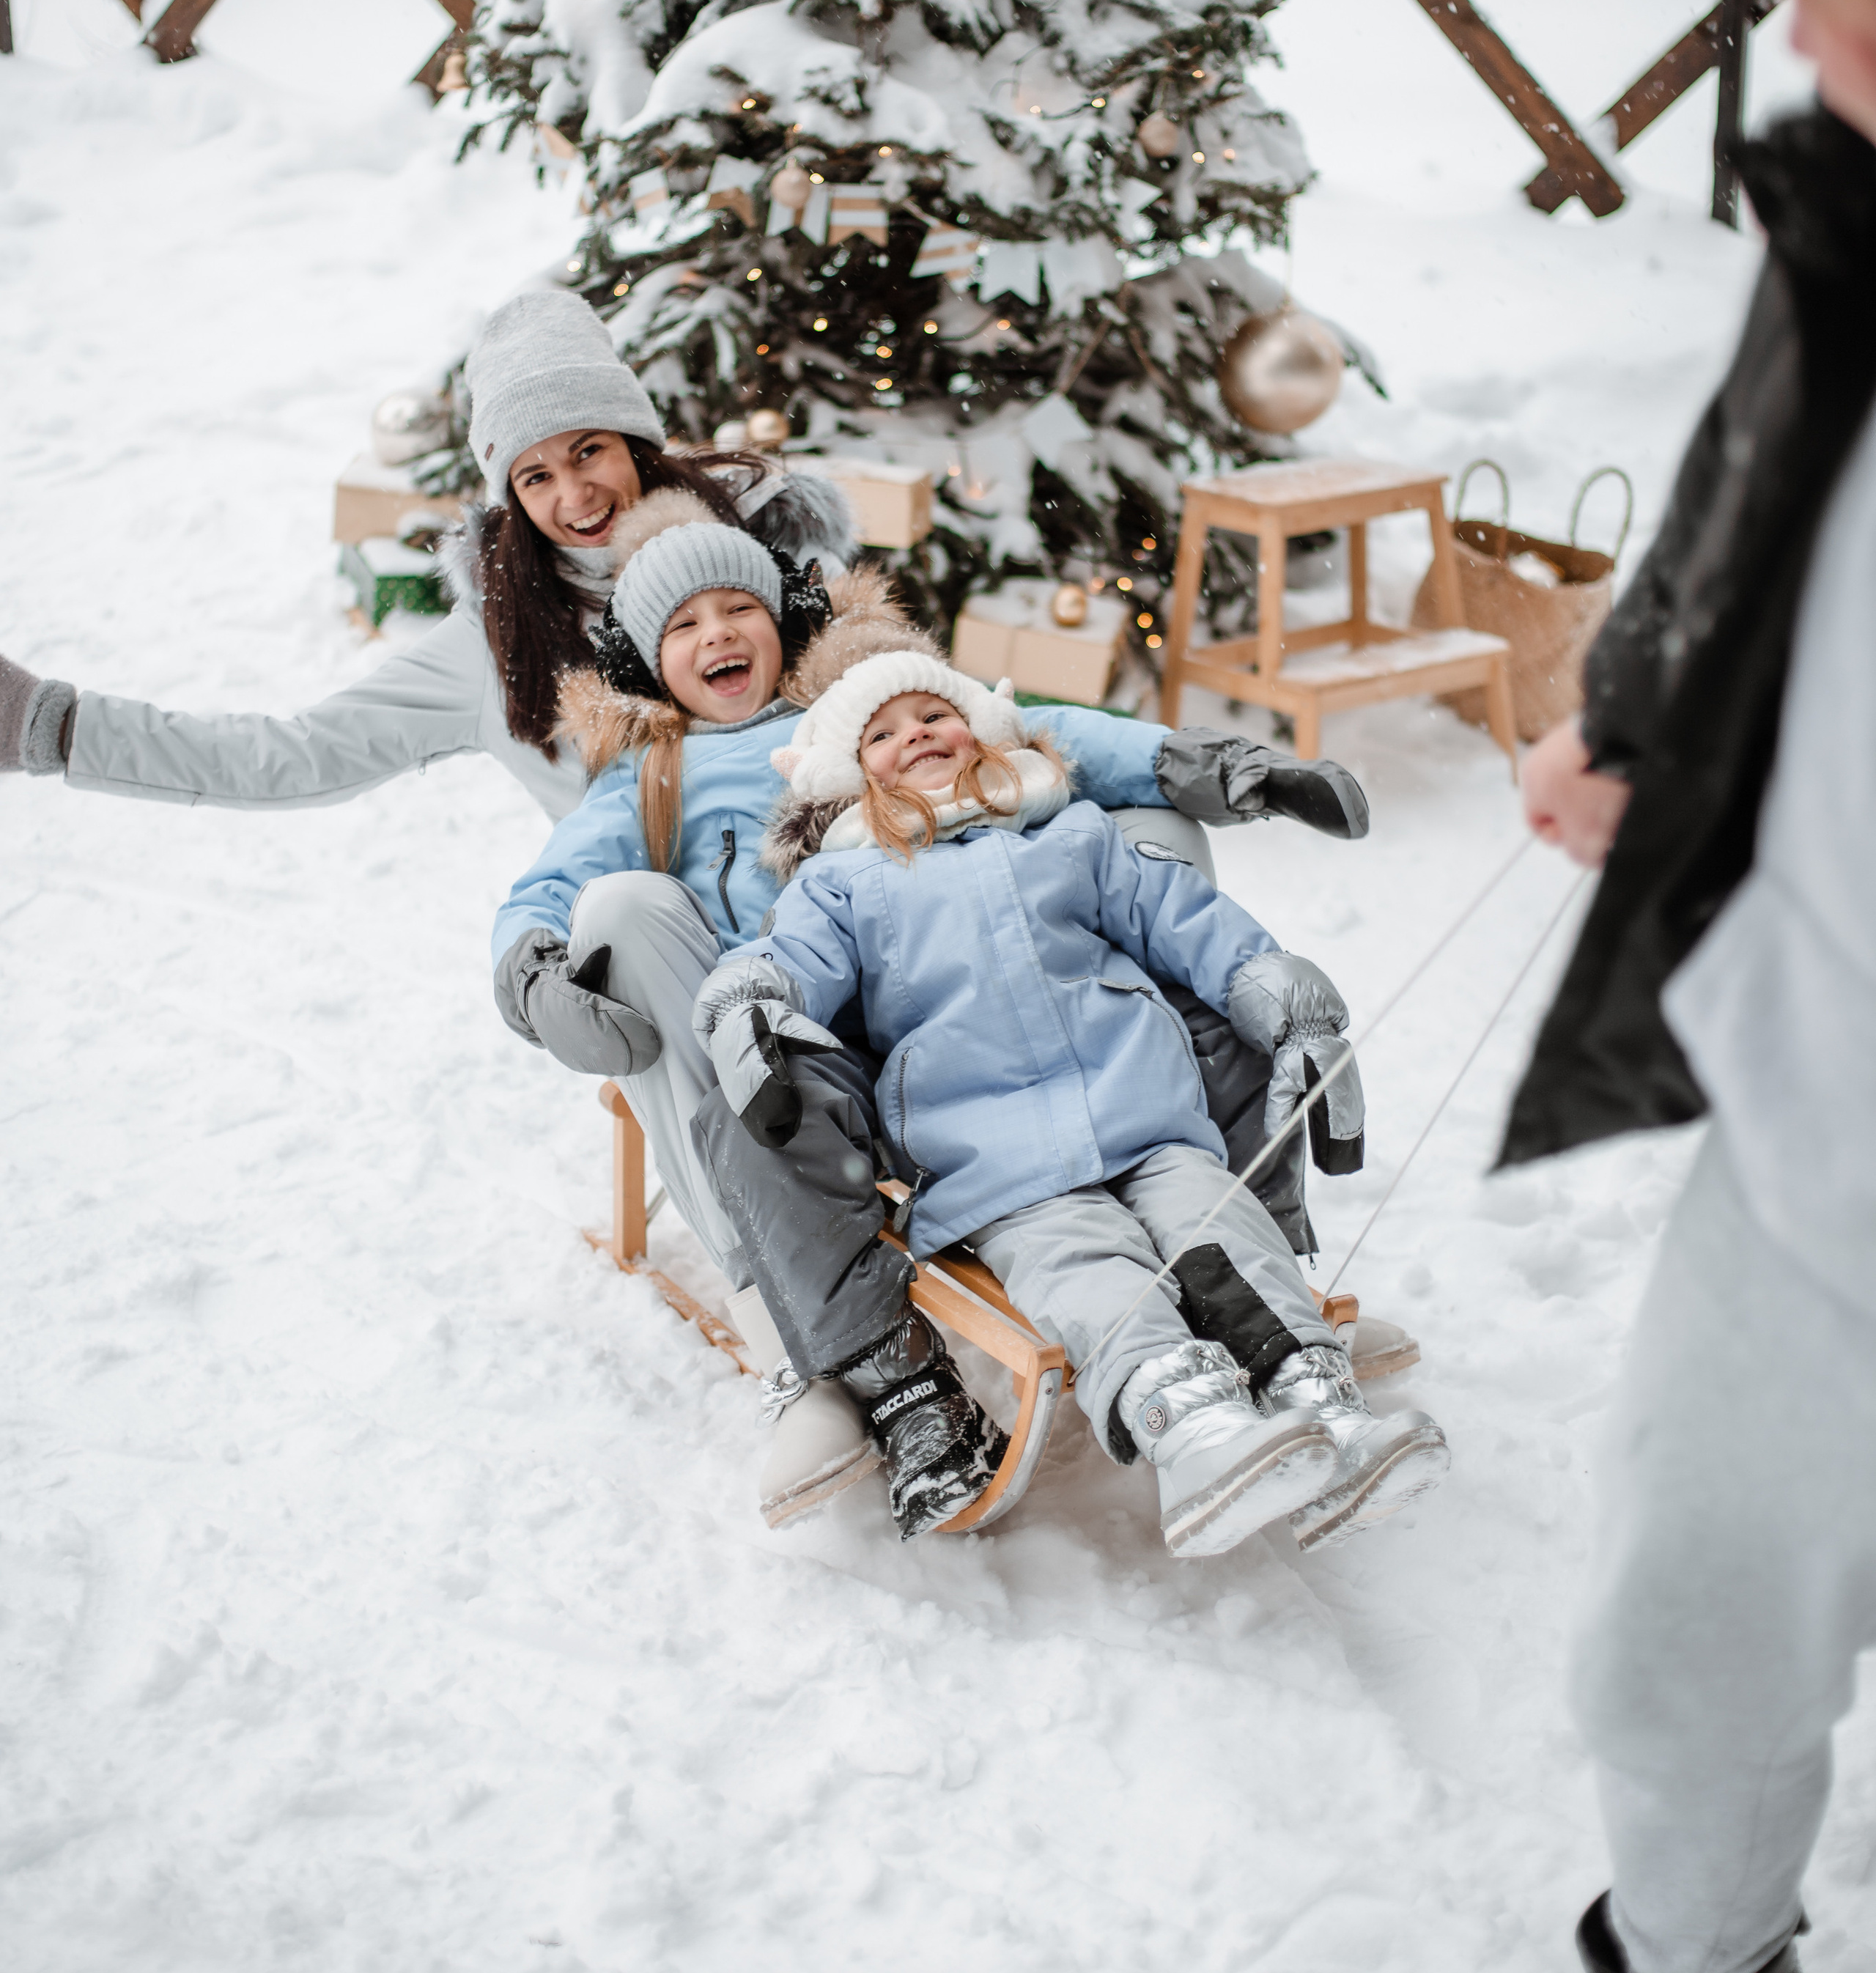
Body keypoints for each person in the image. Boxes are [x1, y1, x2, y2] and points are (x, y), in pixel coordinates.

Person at [1433, 0, 1876, 1973]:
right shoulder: (1855, 217)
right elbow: (1744, 515)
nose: (1796, 50)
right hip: (1808, 1140)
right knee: (1681, 1607)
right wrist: (1637, 719)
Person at [490, 490, 1385, 1528]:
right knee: (623, 909)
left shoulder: (882, 705)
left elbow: (1055, 737)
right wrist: (534, 973)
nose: (718, 634)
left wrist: (1226, 770)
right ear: (652, 658)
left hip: (1013, 1009)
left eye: (737, 607)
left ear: (783, 620)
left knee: (1151, 842)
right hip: (806, 1046)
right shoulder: (662, 776)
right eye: (683, 624)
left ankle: (1280, 1315)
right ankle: (799, 1336)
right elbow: (545, 896)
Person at [687, 651, 1450, 1544]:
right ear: (849, 780)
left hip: (1150, 1117)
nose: (916, 737)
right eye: (883, 735)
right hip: (995, 1161)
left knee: (1219, 1232)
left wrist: (1284, 994)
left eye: (934, 714)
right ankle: (1193, 1434)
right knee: (1088, 1272)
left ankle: (1324, 1410)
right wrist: (749, 998)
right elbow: (791, 963)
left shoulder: (1076, 837)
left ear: (985, 730)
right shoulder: (843, 883)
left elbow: (1188, 922)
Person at [0, 287, 853, 819]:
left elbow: (889, 700)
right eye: (535, 475)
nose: (574, 496)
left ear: (634, 444)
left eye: (589, 449)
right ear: (509, 498)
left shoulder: (766, 555)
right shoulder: (505, 643)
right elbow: (298, 752)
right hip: (674, 957)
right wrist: (53, 724)